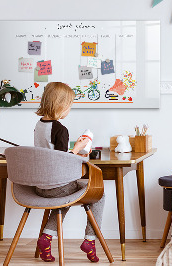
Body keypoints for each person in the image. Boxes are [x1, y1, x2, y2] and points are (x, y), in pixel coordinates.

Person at [34, 82, 104, 263]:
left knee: (64, 197)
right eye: (69, 105)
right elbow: (62, 160)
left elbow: (51, 154)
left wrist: (73, 149)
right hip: (57, 186)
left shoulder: (39, 125)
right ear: (60, 105)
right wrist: (79, 148)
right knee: (99, 194)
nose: (69, 110)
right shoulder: (60, 129)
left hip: (40, 186)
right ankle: (90, 240)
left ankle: (46, 238)